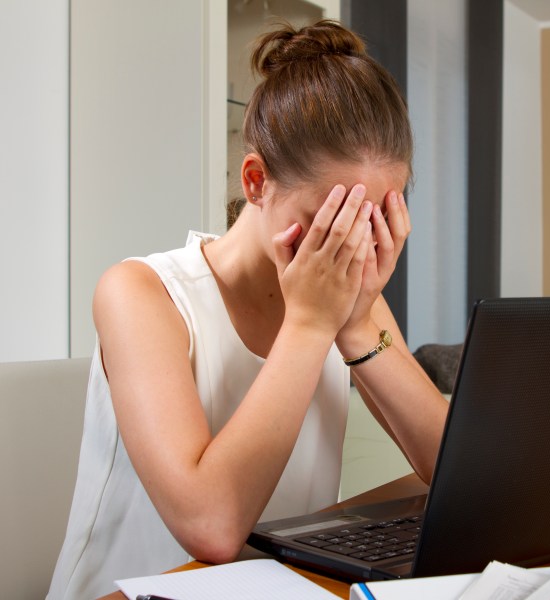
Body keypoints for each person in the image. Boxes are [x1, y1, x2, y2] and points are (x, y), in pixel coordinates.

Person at [47, 19, 448, 599]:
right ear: (257, 181)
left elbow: (454, 472)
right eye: (331, 223)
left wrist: (357, 325)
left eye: (380, 219)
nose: (356, 247)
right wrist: (311, 324)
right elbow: (210, 528)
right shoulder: (141, 294)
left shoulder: (349, 295)